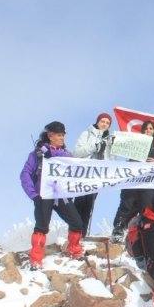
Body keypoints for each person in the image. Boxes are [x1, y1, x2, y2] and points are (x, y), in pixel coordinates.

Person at [20, 121, 84, 269]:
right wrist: (34, 195)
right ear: (50, 136)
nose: (62, 138)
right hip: (43, 195)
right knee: (42, 227)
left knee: (77, 222)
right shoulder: (37, 154)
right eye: (59, 135)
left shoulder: (68, 156)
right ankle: (36, 259)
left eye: (63, 135)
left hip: (62, 196)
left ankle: (74, 250)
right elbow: (25, 174)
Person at [73, 112, 114, 236]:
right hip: (84, 174)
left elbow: (110, 160)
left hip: (97, 176)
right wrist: (95, 146)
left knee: (89, 206)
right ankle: (74, 234)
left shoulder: (109, 139)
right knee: (79, 203)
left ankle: (83, 235)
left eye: (107, 123)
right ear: (97, 122)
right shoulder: (86, 134)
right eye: (103, 121)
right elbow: (76, 152)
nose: (104, 124)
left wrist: (108, 147)